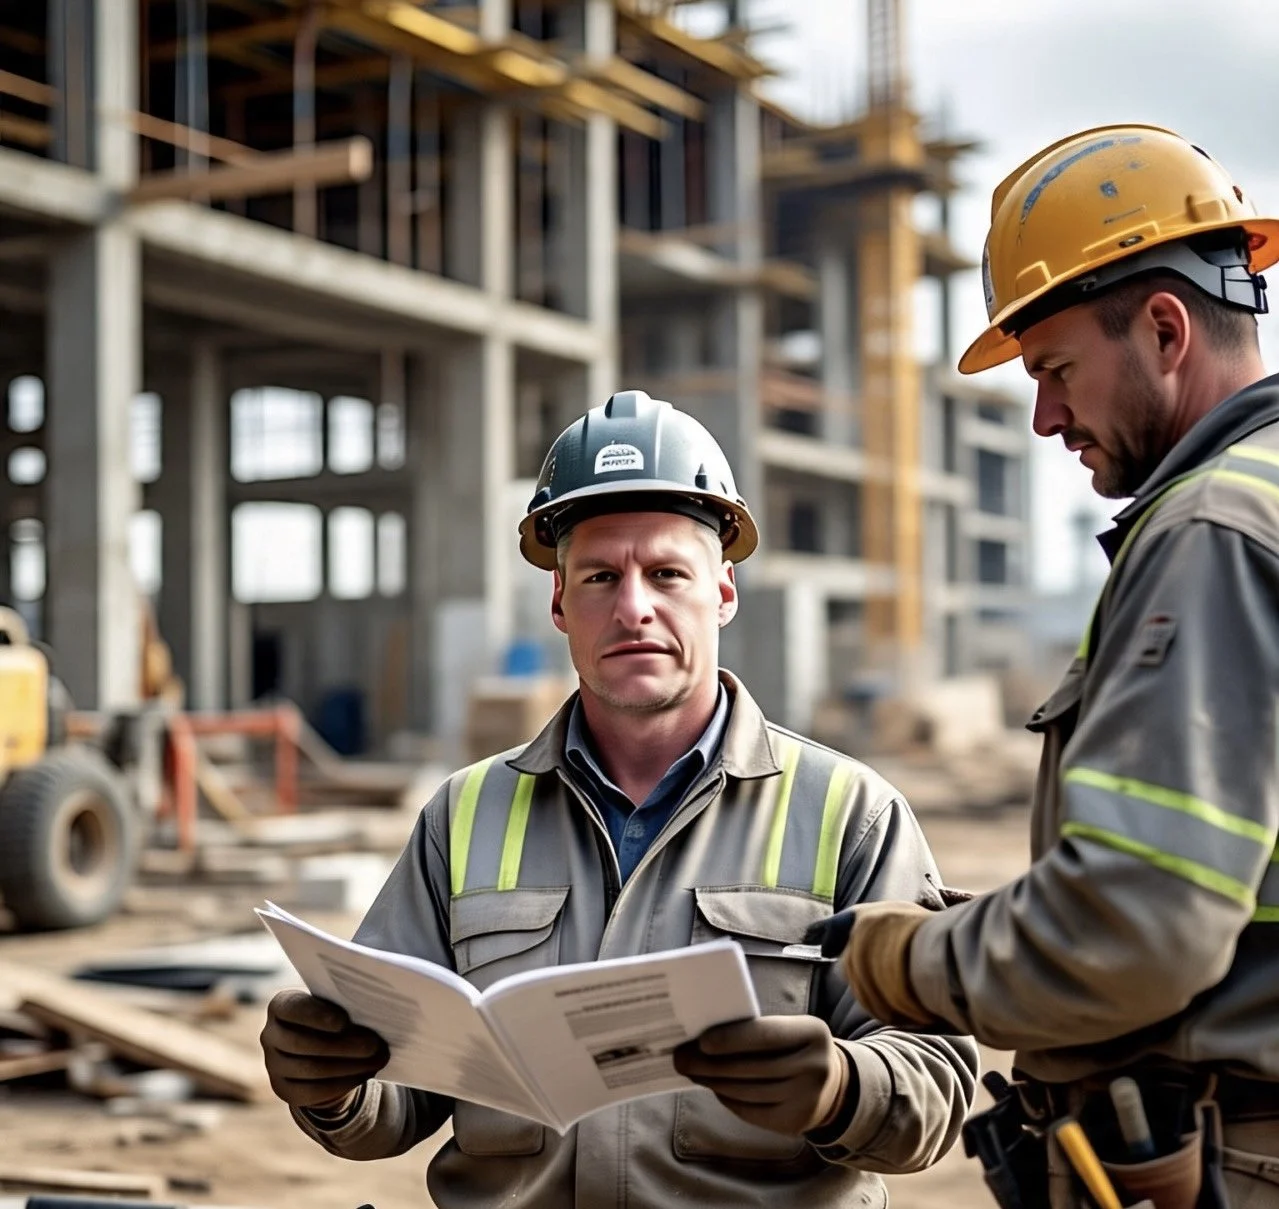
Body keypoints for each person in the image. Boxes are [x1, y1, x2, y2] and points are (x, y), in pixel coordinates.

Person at [260, 389, 977, 1208]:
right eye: (601, 575)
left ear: (724, 592)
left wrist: (839, 1088)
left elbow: (934, 1083)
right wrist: (332, 1085)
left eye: (667, 572)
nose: (633, 605)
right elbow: (401, 1095)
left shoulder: (850, 810)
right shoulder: (462, 815)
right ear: (560, 603)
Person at [820, 124, 1279, 1208]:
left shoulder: (1212, 530)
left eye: (1057, 369)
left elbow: (1139, 926)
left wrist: (902, 963)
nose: (1043, 417)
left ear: (1164, 329)